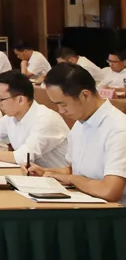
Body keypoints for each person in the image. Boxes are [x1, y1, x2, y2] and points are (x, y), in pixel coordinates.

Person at [27, 63, 126, 205]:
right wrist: (48, 173)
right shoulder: (80, 123)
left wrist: (71, 179)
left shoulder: (118, 128)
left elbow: (109, 191)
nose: (61, 111)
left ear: (85, 95)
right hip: (84, 203)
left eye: (63, 104)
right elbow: (75, 170)